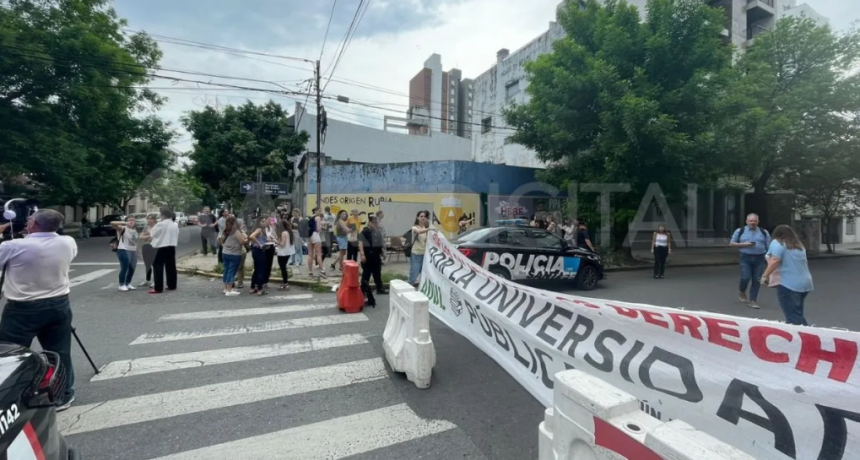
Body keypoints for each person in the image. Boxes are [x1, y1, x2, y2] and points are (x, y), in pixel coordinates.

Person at [0, 210, 77, 410]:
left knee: (11, 354)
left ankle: (11, 397)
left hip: (23, 308)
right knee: (60, 351)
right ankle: (64, 394)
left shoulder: (13, 245)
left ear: (33, 223)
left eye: (29, 220)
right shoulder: (68, 242)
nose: (26, 222)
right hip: (59, 303)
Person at [761, 225, 814, 325]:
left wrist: (765, 276)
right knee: (797, 313)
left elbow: (775, 260)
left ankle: (806, 337)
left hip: (788, 284)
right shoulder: (799, 246)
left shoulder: (778, 243)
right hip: (805, 283)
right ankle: (803, 333)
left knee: (793, 317)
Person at [729, 213, 771, 309]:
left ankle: (753, 300)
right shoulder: (740, 231)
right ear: (747, 221)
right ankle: (742, 291)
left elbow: (769, 247)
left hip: (759, 258)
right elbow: (731, 243)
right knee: (745, 277)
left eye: (755, 221)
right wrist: (744, 244)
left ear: (758, 222)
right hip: (745, 257)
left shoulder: (763, 232)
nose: (753, 223)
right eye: (751, 221)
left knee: (757, 279)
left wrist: (770, 259)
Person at [149, 208, 180, 294]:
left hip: (160, 246)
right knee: (171, 266)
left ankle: (158, 288)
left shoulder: (160, 224)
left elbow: (152, 234)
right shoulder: (175, 224)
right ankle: (172, 285)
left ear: (163, 216)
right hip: (171, 246)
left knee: (158, 267)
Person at [359, 215, 387, 295]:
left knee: (377, 274)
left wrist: (382, 252)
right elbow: (360, 242)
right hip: (367, 257)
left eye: (377, 222)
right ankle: (363, 291)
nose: (376, 224)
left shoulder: (377, 232)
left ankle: (379, 289)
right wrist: (362, 254)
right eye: (374, 222)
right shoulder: (365, 231)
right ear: (370, 223)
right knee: (366, 275)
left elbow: (379, 243)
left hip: (376, 256)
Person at [218, 216, 245, 296]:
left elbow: (220, 238)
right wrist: (247, 239)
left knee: (226, 270)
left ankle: (226, 288)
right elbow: (242, 241)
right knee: (231, 271)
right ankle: (229, 290)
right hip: (234, 253)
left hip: (225, 252)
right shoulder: (236, 231)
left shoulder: (226, 230)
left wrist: (224, 245)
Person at [111, 216, 139, 291]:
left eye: (134, 220)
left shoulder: (135, 230)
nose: (132, 221)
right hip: (123, 249)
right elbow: (112, 223)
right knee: (124, 267)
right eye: (130, 220)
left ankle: (128, 283)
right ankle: (121, 284)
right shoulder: (123, 228)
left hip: (133, 250)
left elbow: (135, 242)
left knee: (132, 268)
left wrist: (138, 252)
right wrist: (125, 223)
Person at [248, 217, 270, 296]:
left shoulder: (263, 230)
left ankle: (252, 287)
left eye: (264, 221)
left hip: (257, 250)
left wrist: (273, 240)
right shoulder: (259, 229)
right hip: (259, 250)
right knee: (260, 270)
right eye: (262, 221)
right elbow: (251, 236)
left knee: (257, 269)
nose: (264, 222)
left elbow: (264, 240)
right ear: (259, 222)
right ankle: (260, 289)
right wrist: (259, 243)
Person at [408, 210, 431, 286]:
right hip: (416, 255)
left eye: (424, 216)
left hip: (424, 255)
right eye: (421, 216)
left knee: (425, 275)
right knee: (413, 277)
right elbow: (419, 231)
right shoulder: (414, 227)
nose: (423, 218)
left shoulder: (426, 227)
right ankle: (406, 291)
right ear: (417, 218)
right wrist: (429, 229)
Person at [137, 214, 158, 288]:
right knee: (147, 264)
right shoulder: (146, 227)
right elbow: (141, 237)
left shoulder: (157, 227)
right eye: (148, 219)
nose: (149, 220)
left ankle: (156, 281)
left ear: (154, 219)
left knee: (155, 264)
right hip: (146, 246)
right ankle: (147, 280)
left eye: (151, 219)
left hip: (155, 247)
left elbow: (157, 237)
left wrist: (147, 236)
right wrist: (149, 236)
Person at [276, 218, 295, 290]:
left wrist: (275, 241)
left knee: (282, 268)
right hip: (288, 252)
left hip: (282, 252)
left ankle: (285, 283)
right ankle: (285, 282)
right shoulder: (290, 232)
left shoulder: (283, 233)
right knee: (284, 267)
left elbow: (282, 244)